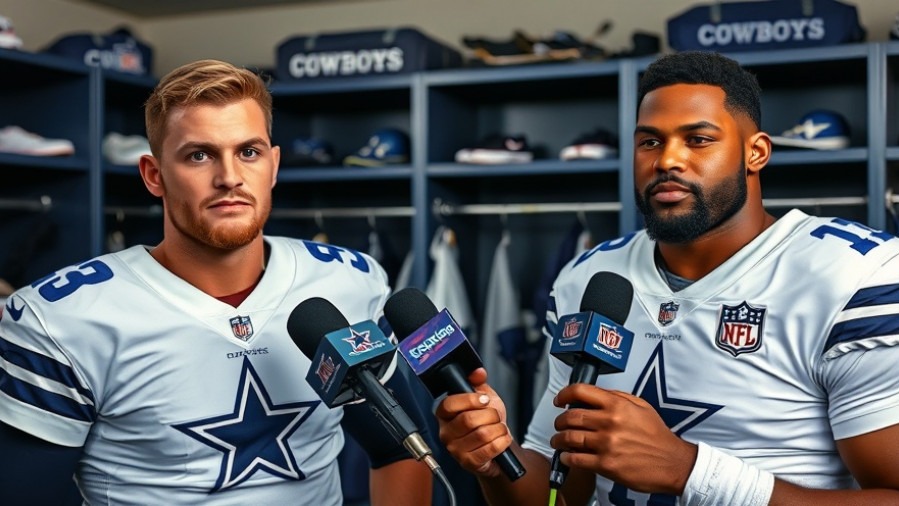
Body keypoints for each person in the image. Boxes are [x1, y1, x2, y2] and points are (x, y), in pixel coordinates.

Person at [434, 50, 899, 505]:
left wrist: (691, 471)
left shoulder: (855, 275)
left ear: (755, 153)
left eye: (698, 139)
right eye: (650, 141)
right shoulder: (588, 276)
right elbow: (560, 494)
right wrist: (498, 460)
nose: (667, 161)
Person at [0, 59, 433, 505]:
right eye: (199, 155)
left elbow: (399, 450)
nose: (229, 177)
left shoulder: (349, 281)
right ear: (154, 175)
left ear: (274, 164)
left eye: (249, 152)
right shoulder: (61, 318)